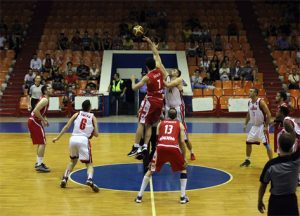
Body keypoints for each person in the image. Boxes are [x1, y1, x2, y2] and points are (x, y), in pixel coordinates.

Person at [135, 108, 189, 204]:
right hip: (173, 147)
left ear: (167, 115)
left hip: (160, 147)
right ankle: (182, 197)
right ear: (176, 116)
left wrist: (154, 157)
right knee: (183, 168)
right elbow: (182, 142)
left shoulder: (161, 123)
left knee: (150, 170)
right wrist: (184, 157)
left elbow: (157, 140)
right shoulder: (180, 124)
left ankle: (139, 196)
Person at [127, 36, 167, 157]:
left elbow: (134, 88)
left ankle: (135, 146)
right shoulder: (160, 71)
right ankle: (144, 146)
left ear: (146, 66)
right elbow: (156, 54)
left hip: (151, 101)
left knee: (141, 122)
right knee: (149, 124)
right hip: (160, 102)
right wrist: (150, 43)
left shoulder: (147, 77)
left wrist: (133, 80)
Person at [52, 100, 100, 192]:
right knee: (89, 164)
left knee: (72, 161)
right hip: (83, 140)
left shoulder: (77, 114)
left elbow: (66, 126)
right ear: (90, 107)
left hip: (73, 139)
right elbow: (97, 134)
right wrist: (91, 130)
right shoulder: (93, 117)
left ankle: (64, 178)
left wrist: (57, 138)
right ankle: (89, 179)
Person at [258, 133, 299, 216]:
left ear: (278, 146)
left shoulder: (270, 165)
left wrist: (260, 201)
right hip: (291, 201)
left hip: (275, 202)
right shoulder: (296, 161)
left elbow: (263, 185)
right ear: (292, 147)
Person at [164, 68, 196, 160]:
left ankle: (191, 152)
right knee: (169, 133)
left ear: (177, 74)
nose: (172, 71)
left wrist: (159, 78)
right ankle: (172, 155)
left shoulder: (179, 79)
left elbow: (168, 85)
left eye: (175, 71)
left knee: (184, 138)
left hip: (178, 108)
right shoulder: (168, 78)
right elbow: (161, 66)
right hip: (168, 108)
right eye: (172, 70)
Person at [240, 88, 273, 167]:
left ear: (255, 93)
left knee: (267, 145)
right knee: (248, 142)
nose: (249, 92)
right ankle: (247, 160)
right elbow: (249, 114)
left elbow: (269, 114)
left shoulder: (260, 102)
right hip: (254, 126)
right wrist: (245, 124)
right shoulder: (249, 102)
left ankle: (271, 163)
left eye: (251, 91)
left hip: (262, 126)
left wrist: (266, 126)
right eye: (249, 90)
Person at [27, 85, 51, 172]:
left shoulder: (44, 98)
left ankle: (38, 163)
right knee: (42, 142)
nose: (51, 89)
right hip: (34, 121)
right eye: (49, 88)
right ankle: (39, 164)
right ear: (45, 91)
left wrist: (45, 119)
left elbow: (42, 111)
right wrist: (43, 120)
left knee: (41, 142)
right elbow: (35, 111)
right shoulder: (45, 99)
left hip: (34, 121)